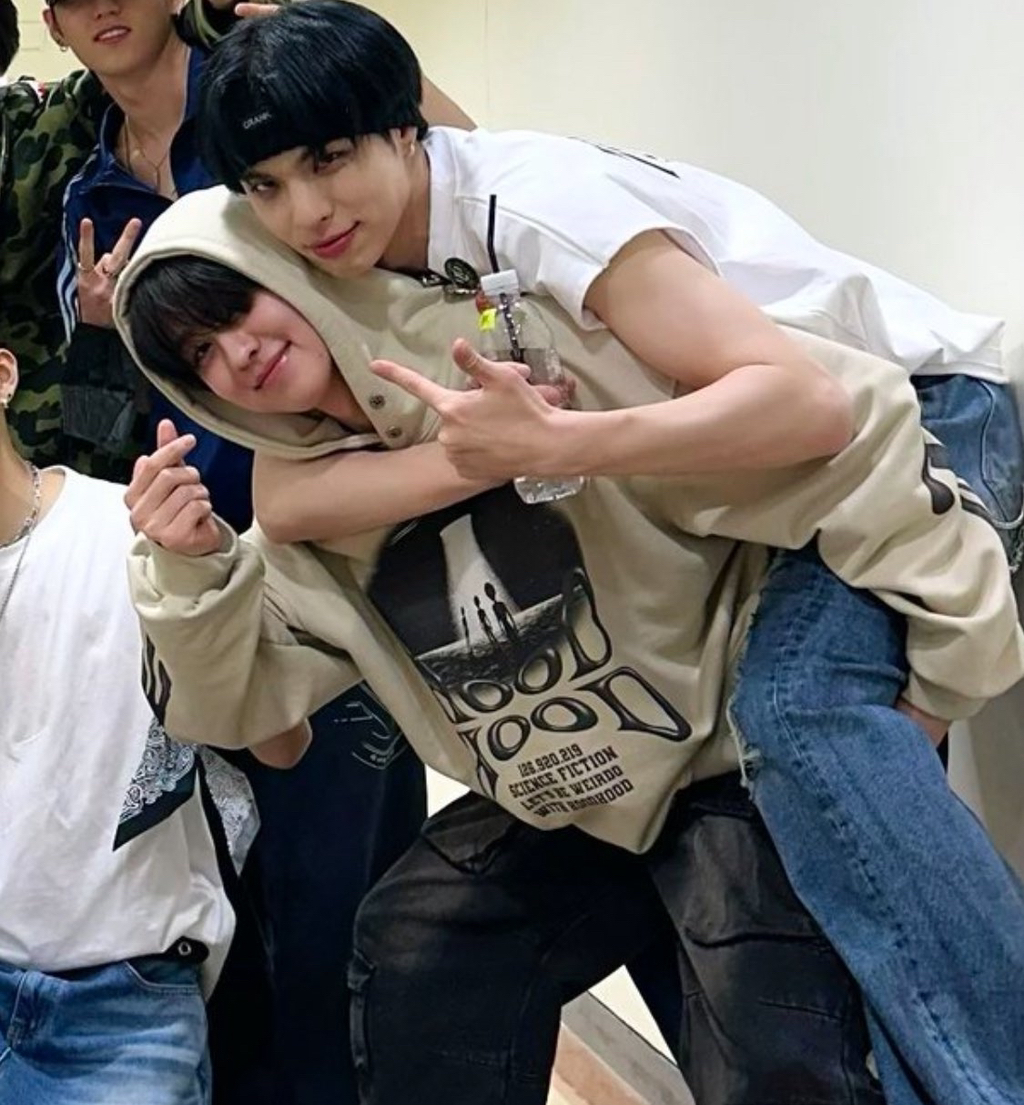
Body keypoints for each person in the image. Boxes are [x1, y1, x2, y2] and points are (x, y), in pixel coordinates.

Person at [184, 8, 1024, 1099]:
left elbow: (816, 406)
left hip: (924, 406)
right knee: (449, 923)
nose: (306, 210)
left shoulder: (544, 216)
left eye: (329, 158)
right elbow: (287, 499)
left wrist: (560, 445)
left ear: (399, 128)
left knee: (796, 711)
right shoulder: (380, 250)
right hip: (772, 496)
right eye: (267, 185)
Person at [0, 342, 235, 1104]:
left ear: (4, 375)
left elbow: (280, 740)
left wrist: (203, 586)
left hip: (120, 1004)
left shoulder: (125, 532)